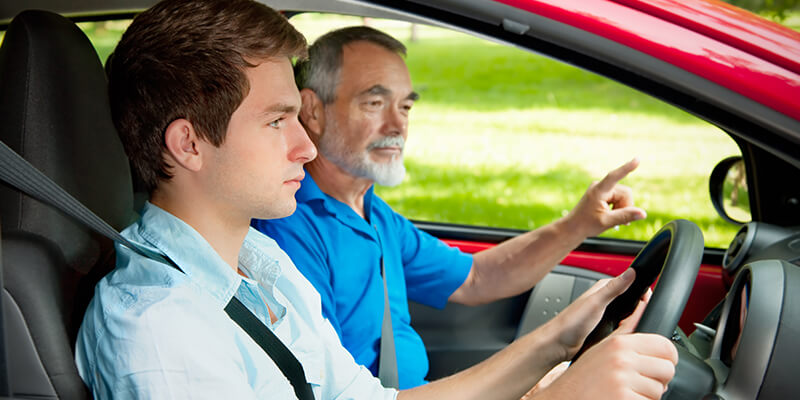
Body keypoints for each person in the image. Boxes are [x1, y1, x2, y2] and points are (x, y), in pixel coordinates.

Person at [76, 1, 678, 399]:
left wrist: (556, 341)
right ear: (189, 144)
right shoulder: (161, 333)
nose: (303, 148)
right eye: (276, 120)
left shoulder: (261, 269)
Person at [252, 26, 649, 389]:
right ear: (313, 111)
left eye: (405, 107)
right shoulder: (288, 228)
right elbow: (329, 391)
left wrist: (577, 224)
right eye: (375, 103)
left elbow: (477, 278)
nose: (397, 125)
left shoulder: (371, 211)